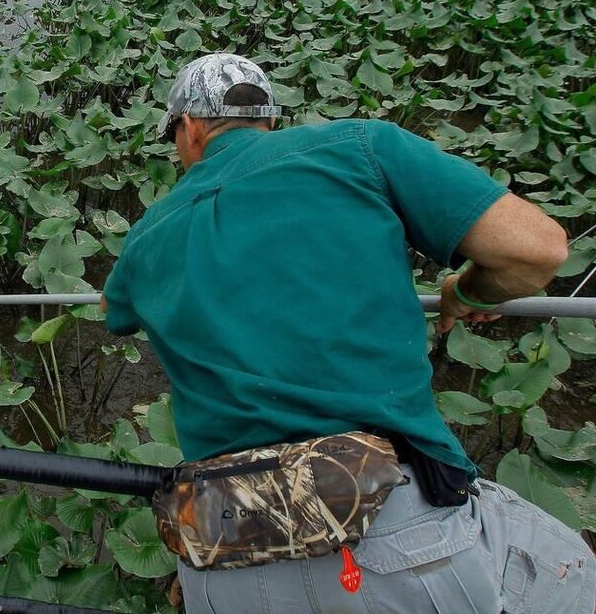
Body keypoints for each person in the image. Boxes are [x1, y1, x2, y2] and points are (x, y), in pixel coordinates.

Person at [102, 53, 595, 614]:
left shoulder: (145, 235)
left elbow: (113, 312)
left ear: (188, 129)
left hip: (226, 547)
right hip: (393, 527)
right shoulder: (359, 145)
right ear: (268, 118)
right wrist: (468, 293)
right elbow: (536, 251)